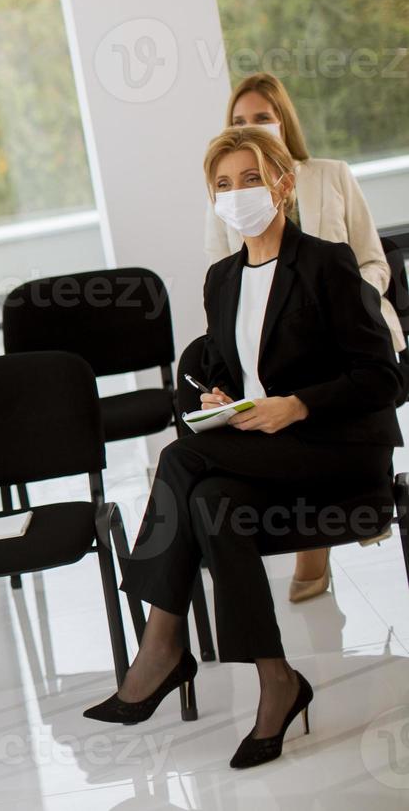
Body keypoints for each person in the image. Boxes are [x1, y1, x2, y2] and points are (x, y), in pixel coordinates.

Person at [86, 126, 402, 769]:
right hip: (260, 452)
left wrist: (300, 403)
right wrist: (220, 398)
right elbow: (231, 370)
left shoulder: (327, 263)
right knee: (212, 504)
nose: (236, 195)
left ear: (283, 185)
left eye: (250, 179)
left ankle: (160, 644)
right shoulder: (221, 279)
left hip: (337, 448)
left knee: (178, 459)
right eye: (223, 185)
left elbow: (386, 377)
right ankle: (275, 679)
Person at [205, 72, 403, 602]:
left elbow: (369, 260)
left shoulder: (330, 177)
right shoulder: (226, 251)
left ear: (283, 119)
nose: (251, 128)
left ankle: (164, 642)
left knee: (186, 463)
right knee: (205, 489)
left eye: (261, 118)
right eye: (239, 122)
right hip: (271, 346)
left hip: (343, 336)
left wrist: (342, 304)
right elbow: (228, 289)